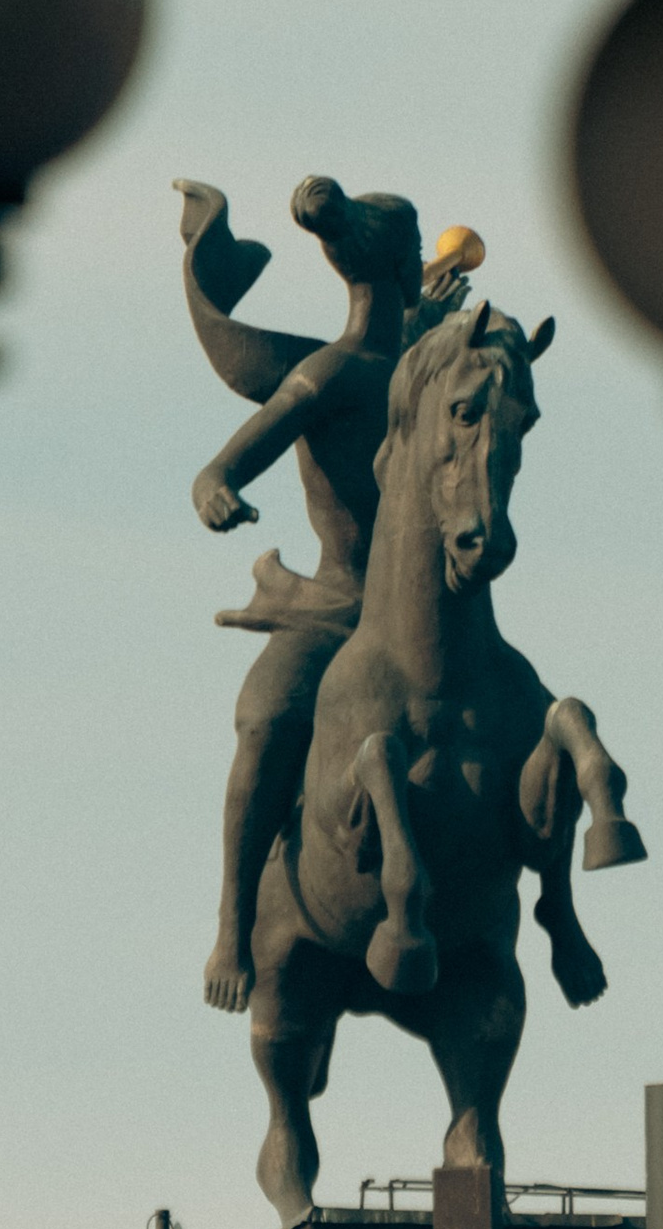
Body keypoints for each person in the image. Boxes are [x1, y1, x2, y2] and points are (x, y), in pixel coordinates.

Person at [174, 176, 474, 1010]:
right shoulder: (331, 374)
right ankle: (234, 928)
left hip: (425, 615)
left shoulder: (420, 371)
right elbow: (226, 463)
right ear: (403, 267)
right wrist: (215, 486)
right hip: (337, 610)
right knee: (268, 720)